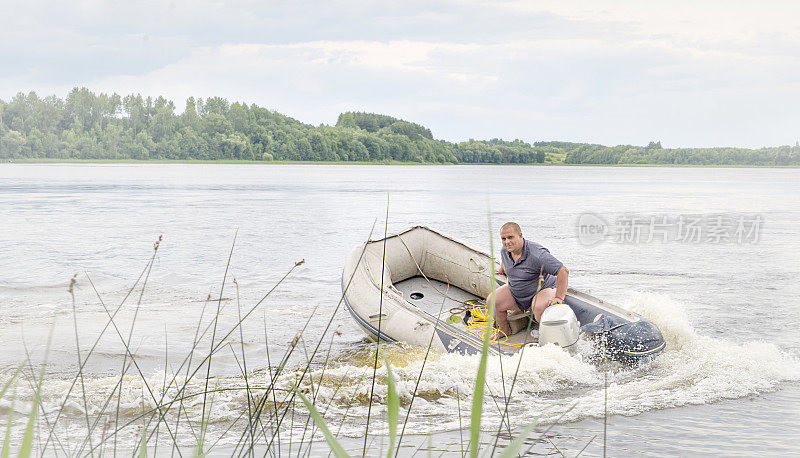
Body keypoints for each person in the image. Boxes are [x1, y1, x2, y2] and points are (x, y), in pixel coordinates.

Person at [487, 222, 569, 336]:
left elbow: (563, 271)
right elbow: (505, 263)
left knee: (539, 307)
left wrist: (559, 297)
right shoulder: (505, 250)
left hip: (542, 290)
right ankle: (504, 330)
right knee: (492, 300)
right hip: (518, 294)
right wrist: (501, 270)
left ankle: (546, 336)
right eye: (503, 238)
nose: (507, 242)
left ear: (520, 235)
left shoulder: (538, 254)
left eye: (510, 237)